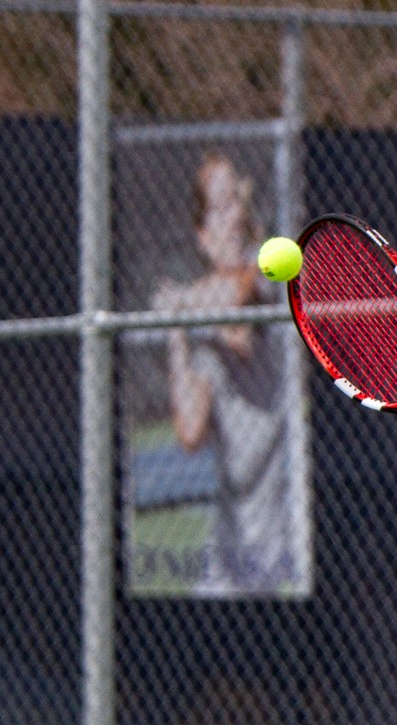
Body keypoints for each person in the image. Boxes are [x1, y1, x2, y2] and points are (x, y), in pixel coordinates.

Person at [152, 153, 302, 596]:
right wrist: (175, 335)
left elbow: (239, 326)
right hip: (230, 547)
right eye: (219, 209)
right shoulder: (199, 324)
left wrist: (182, 303)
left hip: (284, 537)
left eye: (236, 201)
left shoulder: (272, 267)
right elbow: (191, 432)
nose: (233, 218)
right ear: (202, 236)